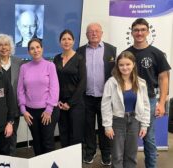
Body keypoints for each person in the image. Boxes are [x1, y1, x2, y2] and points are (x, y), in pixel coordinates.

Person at [126, 18, 171, 168]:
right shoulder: (126, 54)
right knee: (130, 137)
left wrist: (162, 103)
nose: (139, 33)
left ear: (147, 32)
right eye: (136, 30)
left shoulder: (157, 53)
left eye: (142, 30)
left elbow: (164, 78)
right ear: (132, 32)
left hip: (149, 101)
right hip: (130, 101)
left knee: (149, 138)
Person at [101, 51, 150, 168]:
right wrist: (107, 126)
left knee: (131, 155)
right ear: (117, 66)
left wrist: (144, 125)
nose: (125, 67)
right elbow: (105, 105)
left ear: (133, 64)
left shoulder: (141, 83)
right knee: (117, 155)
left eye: (128, 64)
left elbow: (145, 105)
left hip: (134, 121)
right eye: (121, 65)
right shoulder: (111, 83)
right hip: (117, 121)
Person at [76, 23, 116, 165]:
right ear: (86, 35)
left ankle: (106, 154)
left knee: (105, 126)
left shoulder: (112, 50)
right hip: (86, 96)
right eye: (90, 32)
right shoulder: (79, 51)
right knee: (88, 127)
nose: (94, 33)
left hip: (106, 97)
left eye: (96, 31)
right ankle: (90, 152)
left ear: (101, 33)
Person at [17, 38, 59, 156]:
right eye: (32, 48)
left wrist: (49, 109)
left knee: (47, 142)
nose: (35, 50)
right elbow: (20, 90)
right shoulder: (24, 68)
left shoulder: (50, 66)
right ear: (28, 52)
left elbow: (54, 88)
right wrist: (23, 110)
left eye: (38, 47)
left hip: (48, 111)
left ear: (42, 49)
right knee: (37, 141)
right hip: (30, 112)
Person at [53, 29, 86, 147]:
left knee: (76, 135)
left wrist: (70, 103)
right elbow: (53, 81)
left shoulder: (80, 58)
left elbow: (83, 82)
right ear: (60, 42)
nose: (66, 41)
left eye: (69, 39)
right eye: (63, 39)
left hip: (76, 103)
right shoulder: (56, 59)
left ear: (73, 41)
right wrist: (57, 100)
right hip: (60, 103)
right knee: (64, 133)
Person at [0, 33, 23, 156]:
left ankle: (12, 161)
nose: (3, 48)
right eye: (0, 45)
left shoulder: (19, 62)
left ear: (11, 47)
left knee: (12, 138)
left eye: (6, 44)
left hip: (13, 108)